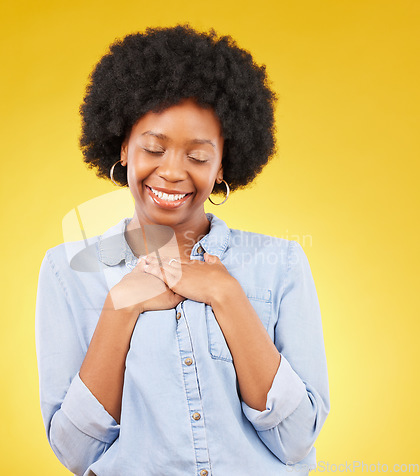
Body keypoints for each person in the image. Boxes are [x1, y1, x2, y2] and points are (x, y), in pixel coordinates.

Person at [35, 24, 330, 476]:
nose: (172, 172)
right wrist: (120, 306)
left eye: (197, 156)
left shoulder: (282, 265)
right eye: (153, 148)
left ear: (221, 167)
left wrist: (227, 296)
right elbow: (76, 454)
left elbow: (295, 441)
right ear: (124, 149)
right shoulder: (68, 271)